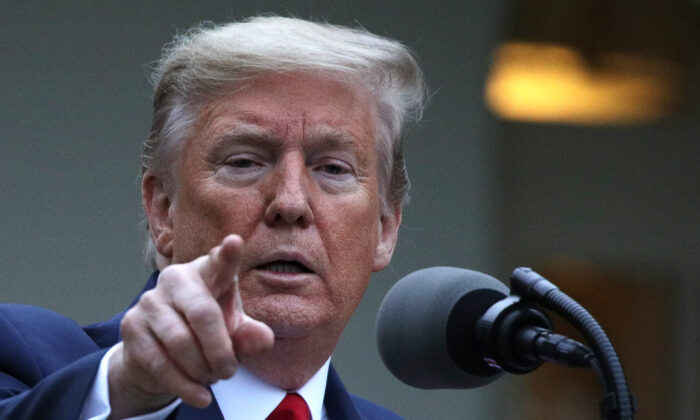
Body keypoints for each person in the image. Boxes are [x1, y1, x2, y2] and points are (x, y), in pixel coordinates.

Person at [0, 15, 425, 419]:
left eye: (333, 169)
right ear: (163, 210)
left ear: (385, 228)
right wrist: (128, 393)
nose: (291, 202)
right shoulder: (30, 361)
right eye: (244, 162)